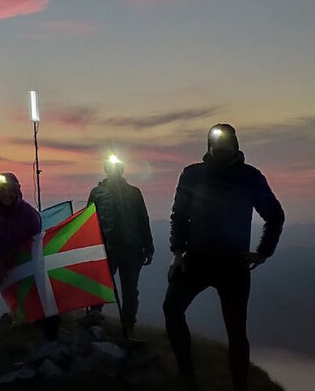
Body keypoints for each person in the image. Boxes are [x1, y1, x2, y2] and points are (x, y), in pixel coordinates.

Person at [163, 124, 285, 391]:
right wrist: (178, 252)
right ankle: (186, 375)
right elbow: (179, 215)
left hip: (234, 264)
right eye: (217, 143)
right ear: (208, 145)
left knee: (236, 332)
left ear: (236, 144)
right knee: (171, 310)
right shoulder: (192, 175)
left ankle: (239, 386)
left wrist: (264, 252)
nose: (222, 148)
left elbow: (274, 215)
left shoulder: (250, 177)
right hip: (195, 258)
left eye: (226, 143)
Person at [0, 172, 55, 363]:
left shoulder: (29, 215)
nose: (6, 195)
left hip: (20, 269)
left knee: (42, 300)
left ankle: (51, 338)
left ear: (17, 191)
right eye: (3, 191)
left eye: (10, 191)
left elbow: (36, 245)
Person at [87, 154, 154, 332]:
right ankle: (94, 317)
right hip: (106, 248)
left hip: (132, 249)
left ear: (121, 169)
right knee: (101, 284)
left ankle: (128, 325)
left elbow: (143, 219)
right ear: (106, 170)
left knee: (129, 290)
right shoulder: (96, 193)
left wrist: (149, 248)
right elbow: (89, 220)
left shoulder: (134, 192)